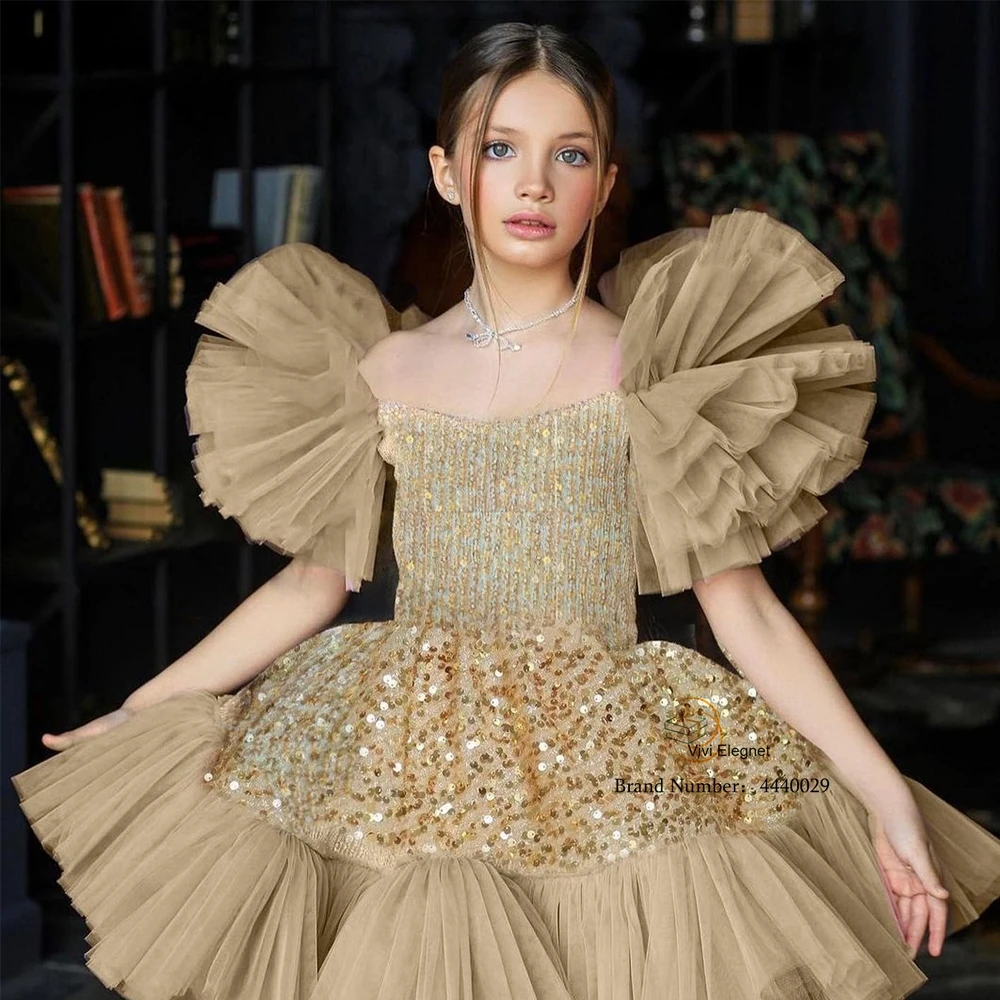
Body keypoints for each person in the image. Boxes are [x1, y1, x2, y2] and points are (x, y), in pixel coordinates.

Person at [13, 21, 1000, 1000]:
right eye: (500, 149)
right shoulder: (384, 367)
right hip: (405, 747)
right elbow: (310, 583)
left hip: (608, 749)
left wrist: (883, 796)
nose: (534, 183)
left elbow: (745, 611)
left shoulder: (650, 372)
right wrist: (142, 712)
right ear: (448, 173)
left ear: (605, 185)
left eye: (568, 154)